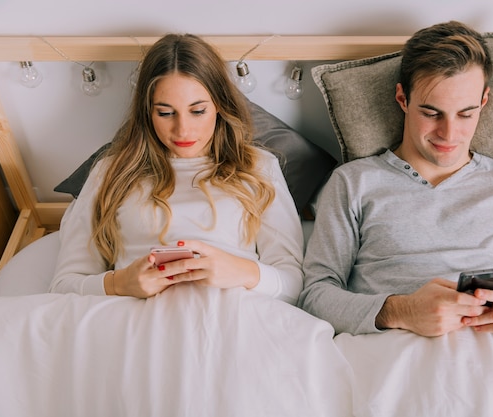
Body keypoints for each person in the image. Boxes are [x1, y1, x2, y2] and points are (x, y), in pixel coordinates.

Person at [298, 21, 493, 345]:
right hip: (390, 354)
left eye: (465, 114)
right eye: (431, 113)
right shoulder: (353, 183)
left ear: (483, 102)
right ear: (403, 99)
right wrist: (400, 311)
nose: (449, 134)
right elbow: (314, 297)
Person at [49, 33, 304, 304]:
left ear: (218, 106)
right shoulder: (110, 172)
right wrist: (120, 282)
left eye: (197, 111)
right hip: (136, 320)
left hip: (233, 317)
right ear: (147, 112)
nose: (183, 130)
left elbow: (293, 285)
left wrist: (241, 271)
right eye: (166, 113)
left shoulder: (259, 167)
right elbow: (64, 286)